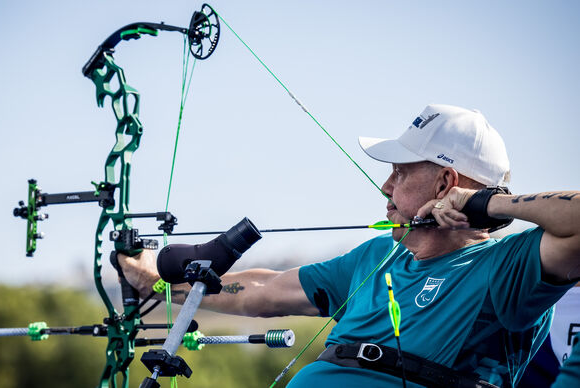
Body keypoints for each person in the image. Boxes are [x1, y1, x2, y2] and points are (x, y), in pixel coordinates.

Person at [117, 104, 580, 387]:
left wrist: (489, 204)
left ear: (446, 182)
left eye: (401, 172)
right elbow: (266, 290)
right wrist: (158, 286)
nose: (385, 185)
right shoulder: (380, 256)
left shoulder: (507, 265)